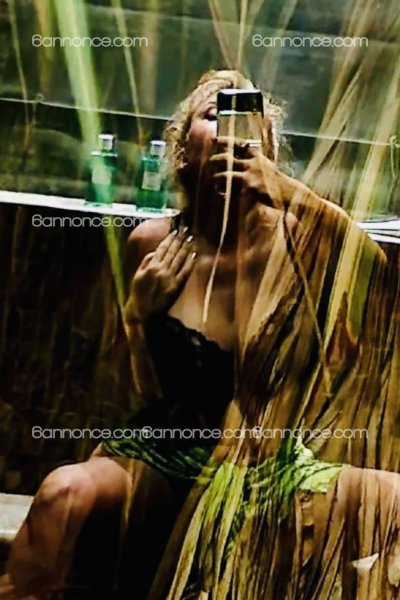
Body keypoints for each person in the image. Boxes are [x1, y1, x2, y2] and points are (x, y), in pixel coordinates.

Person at [1, 69, 399, 600]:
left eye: (248, 118)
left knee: (393, 500)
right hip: (167, 451)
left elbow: (376, 273)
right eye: (214, 115)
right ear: (182, 149)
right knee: (62, 492)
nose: (232, 129)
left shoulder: (301, 241)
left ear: (267, 148)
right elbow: (126, 391)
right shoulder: (154, 244)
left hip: (266, 464)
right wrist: (138, 313)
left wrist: (290, 194)